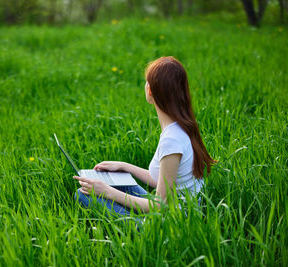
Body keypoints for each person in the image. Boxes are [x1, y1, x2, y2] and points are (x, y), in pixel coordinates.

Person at [74, 56, 216, 224]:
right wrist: (124, 166)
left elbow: (159, 205)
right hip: (175, 211)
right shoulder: (181, 127)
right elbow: (164, 180)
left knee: (82, 196)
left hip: (172, 226)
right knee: (118, 184)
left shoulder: (172, 139)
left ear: (150, 91)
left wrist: (107, 192)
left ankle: (137, 228)